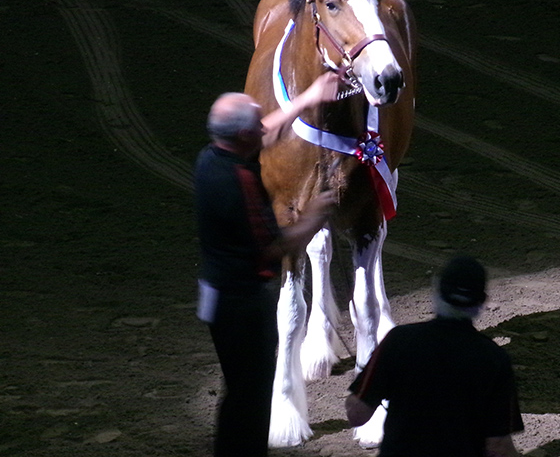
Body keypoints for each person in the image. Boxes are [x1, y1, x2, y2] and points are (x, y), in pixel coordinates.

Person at [194, 72, 339, 457]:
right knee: (254, 396)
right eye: (256, 124)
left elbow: (265, 131)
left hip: (216, 295)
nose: (264, 127)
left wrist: (307, 98)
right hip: (242, 305)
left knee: (237, 390)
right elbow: (275, 248)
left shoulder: (212, 157)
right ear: (244, 137)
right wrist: (315, 215)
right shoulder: (236, 184)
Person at [346, 256, 524, 457]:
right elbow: (498, 447)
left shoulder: (399, 341)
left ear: (437, 291)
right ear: (481, 301)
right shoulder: (495, 358)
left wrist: (369, 382)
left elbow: (357, 414)